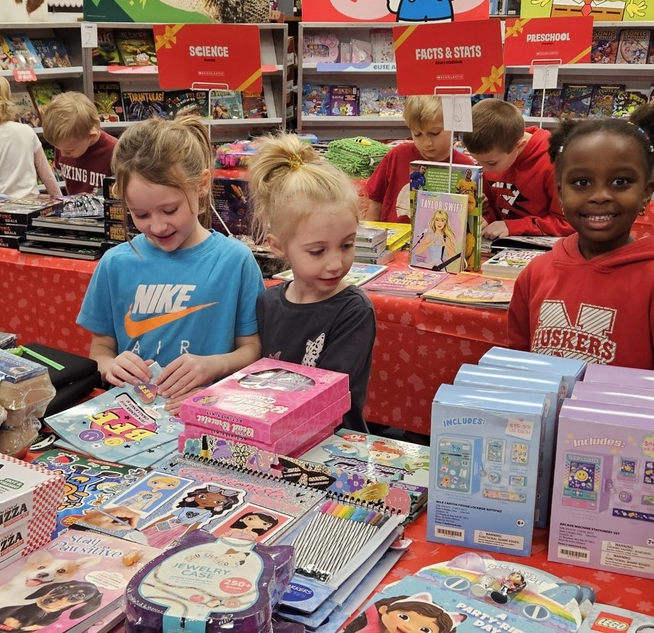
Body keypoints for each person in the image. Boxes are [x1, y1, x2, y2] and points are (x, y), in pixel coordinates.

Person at [507, 103, 654, 374]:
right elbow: (517, 364)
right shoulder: (536, 274)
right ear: (560, 192)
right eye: (582, 183)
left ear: (646, 193)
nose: (600, 196)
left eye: (620, 182)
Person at [77, 116, 264, 413]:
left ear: (201, 185)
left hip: (209, 414)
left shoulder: (234, 261)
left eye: (169, 209)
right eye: (140, 215)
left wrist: (213, 366)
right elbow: (100, 350)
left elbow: (252, 350)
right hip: (132, 416)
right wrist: (111, 365)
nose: (158, 226)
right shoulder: (115, 263)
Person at [249, 133, 375, 432]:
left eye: (346, 245)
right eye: (317, 251)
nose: (335, 263)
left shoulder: (354, 311)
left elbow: (324, 394)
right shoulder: (267, 303)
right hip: (272, 435)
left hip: (333, 443)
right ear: (277, 246)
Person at [460, 98, 572, 239]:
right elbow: (492, 207)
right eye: (477, 161)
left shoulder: (555, 161)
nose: (484, 169)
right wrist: (486, 218)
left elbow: (567, 222)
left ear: (519, 146)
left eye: (491, 163)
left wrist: (513, 226)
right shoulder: (493, 157)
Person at [363, 95, 475, 223]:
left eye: (434, 133)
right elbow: (375, 200)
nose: (427, 143)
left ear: (453, 125)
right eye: (417, 134)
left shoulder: (466, 167)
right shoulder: (397, 155)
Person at [0, 75, 62, 199]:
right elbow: (48, 176)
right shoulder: (26, 131)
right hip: (32, 208)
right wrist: (61, 203)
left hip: (1, 212)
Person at [40, 91, 118, 195]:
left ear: (91, 135)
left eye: (70, 151)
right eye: (58, 148)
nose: (63, 154)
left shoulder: (115, 151)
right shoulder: (64, 144)